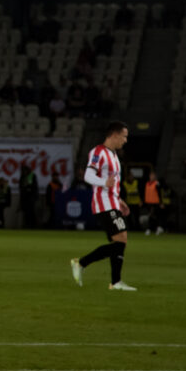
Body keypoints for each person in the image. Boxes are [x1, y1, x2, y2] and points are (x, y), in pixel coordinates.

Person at [70, 121, 137, 291]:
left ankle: (115, 282)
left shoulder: (114, 155)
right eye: (124, 136)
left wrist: (119, 200)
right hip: (103, 204)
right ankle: (82, 263)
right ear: (114, 135)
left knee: (119, 242)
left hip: (112, 202)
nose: (125, 140)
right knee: (121, 240)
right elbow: (88, 175)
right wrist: (104, 182)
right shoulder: (98, 152)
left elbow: (111, 183)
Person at [143, 169, 164, 235]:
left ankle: (154, 228)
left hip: (155, 202)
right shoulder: (147, 183)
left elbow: (159, 193)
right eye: (151, 175)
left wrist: (161, 202)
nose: (152, 177)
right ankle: (156, 228)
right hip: (149, 202)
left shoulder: (156, 183)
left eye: (153, 175)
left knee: (154, 216)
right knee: (151, 216)